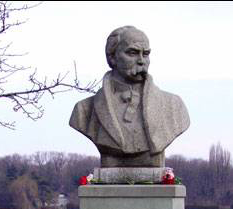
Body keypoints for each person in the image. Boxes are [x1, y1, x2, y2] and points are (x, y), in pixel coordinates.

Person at [69, 26, 190, 168]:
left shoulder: (174, 106)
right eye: (132, 53)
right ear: (112, 57)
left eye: (145, 54)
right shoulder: (84, 110)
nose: (141, 61)